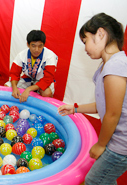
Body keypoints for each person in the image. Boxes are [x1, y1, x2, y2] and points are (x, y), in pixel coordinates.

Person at [58, 13, 127, 185]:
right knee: (106, 178)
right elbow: (103, 104)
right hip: (116, 138)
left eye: (85, 40)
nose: (85, 48)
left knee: (94, 180)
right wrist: (75, 108)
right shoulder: (108, 65)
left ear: (101, 34)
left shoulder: (115, 66)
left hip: (120, 143)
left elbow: (112, 113)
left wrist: (100, 144)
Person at [5, 30, 58, 102]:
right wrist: (14, 88)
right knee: (7, 87)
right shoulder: (21, 55)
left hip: (42, 81)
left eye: (40, 46)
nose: (37, 50)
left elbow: (47, 79)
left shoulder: (50, 56)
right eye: (33, 46)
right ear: (28, 44)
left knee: (46, 93)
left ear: (44, 45)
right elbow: (14, 74)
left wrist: (28, 89)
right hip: (28, 78)